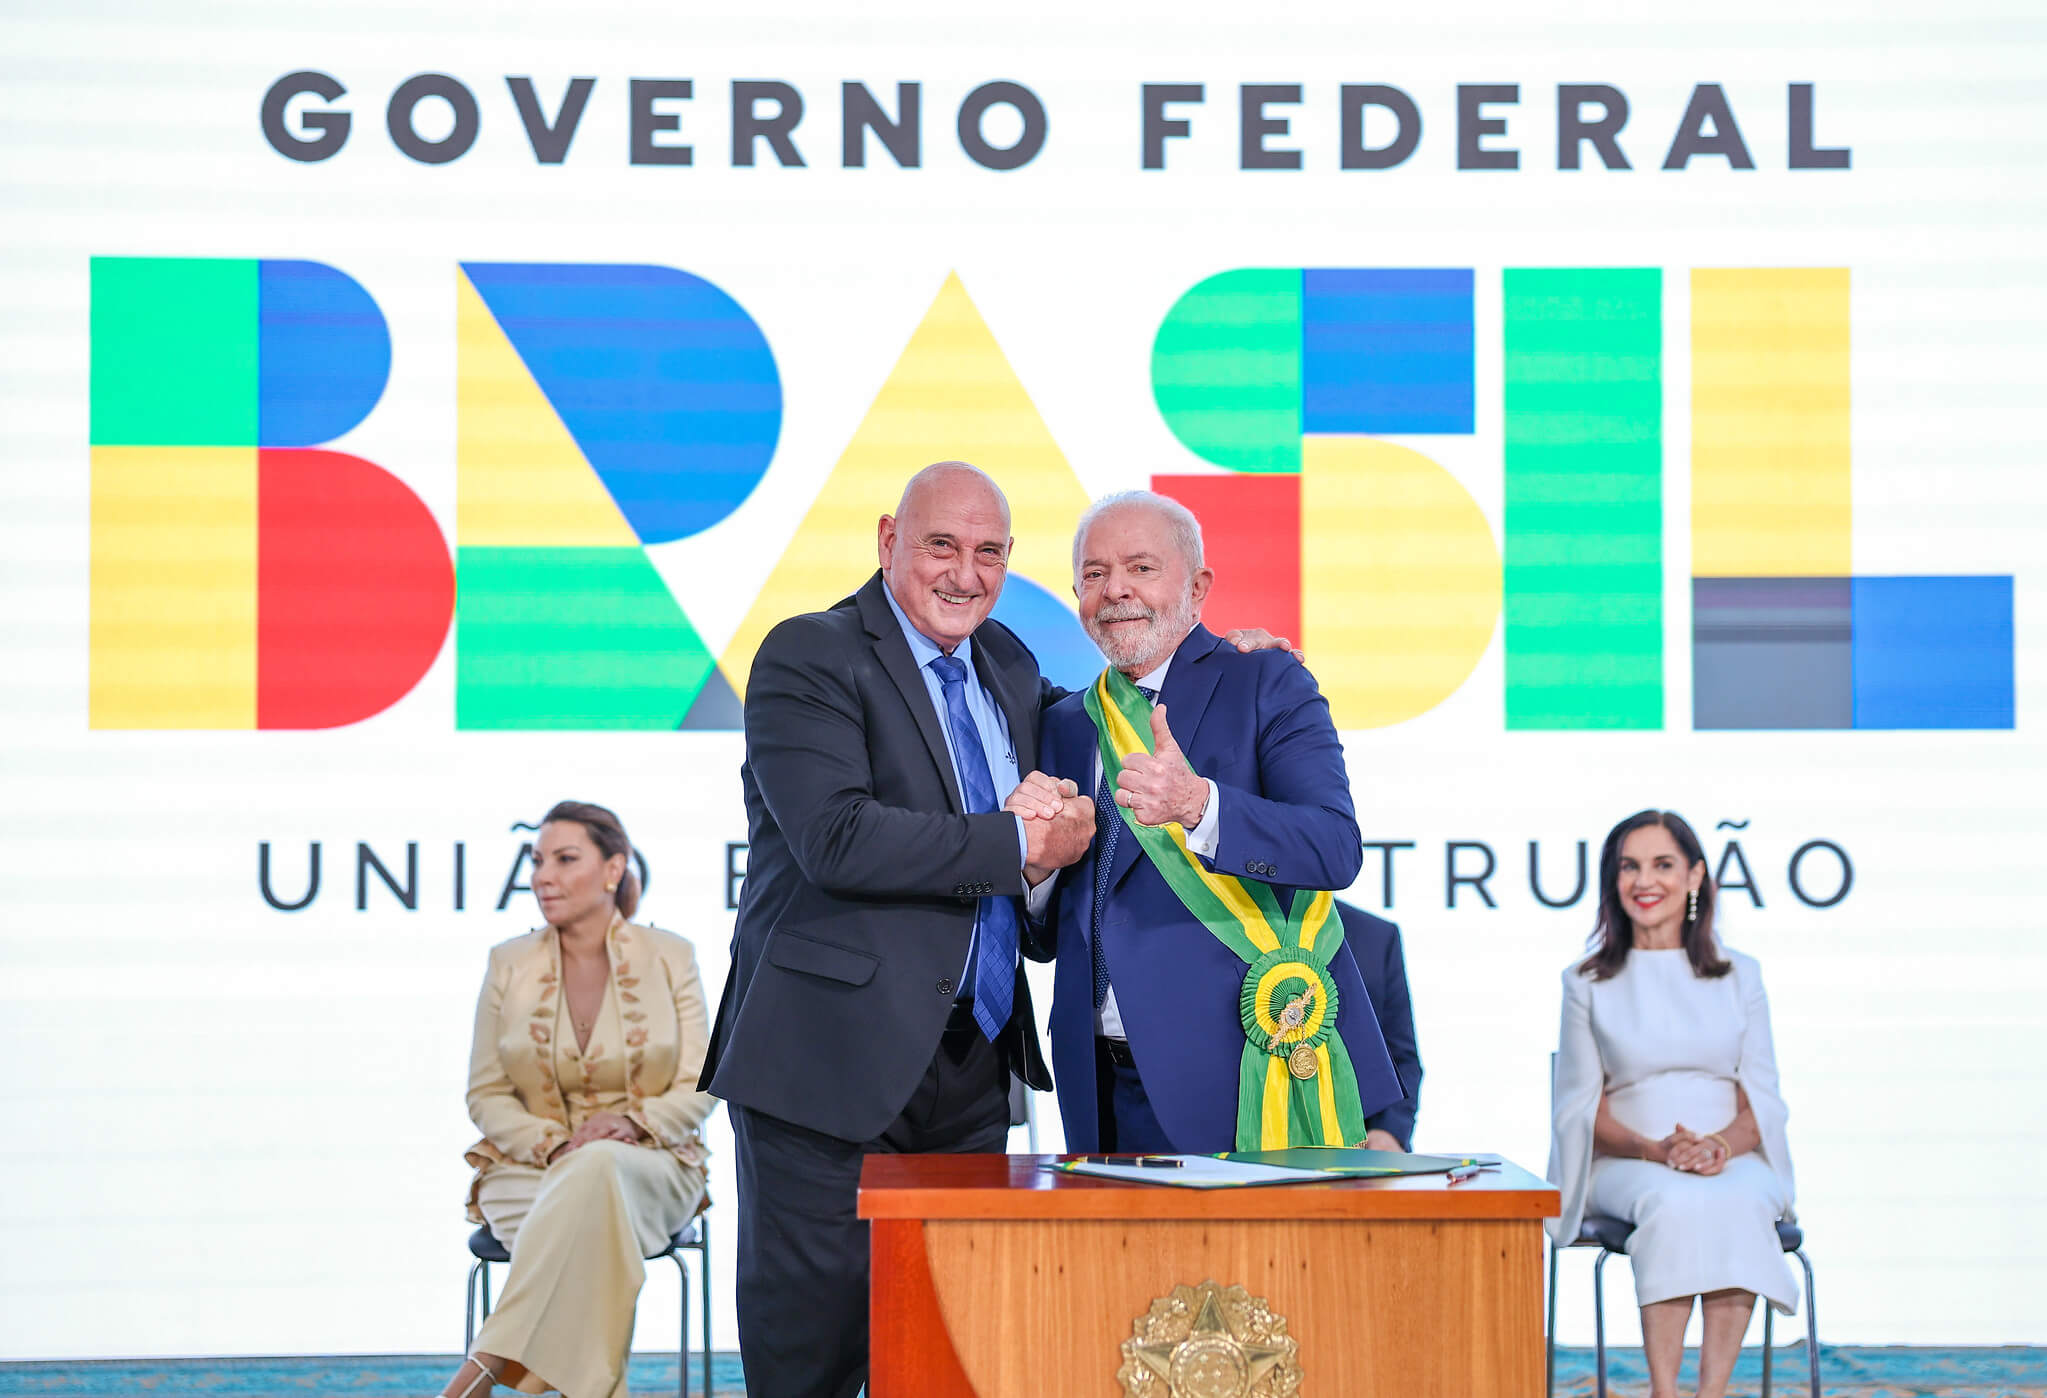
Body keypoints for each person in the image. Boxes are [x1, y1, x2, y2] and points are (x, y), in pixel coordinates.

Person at [702, 463, 1297, 1398]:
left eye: (989, 553)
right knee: (811, 1361)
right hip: (825, 1071)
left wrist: (1223, 665)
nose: (964, 573)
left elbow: (1116, 713)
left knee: (957, 1354)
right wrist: (1023, 841)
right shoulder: (808, 654)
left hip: (972, 1071)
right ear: (888, 538)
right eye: (941, 545)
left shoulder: (1011, 665)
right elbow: (837, 838)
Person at [1025, 490, 1403, 1154]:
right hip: (1097, 1083)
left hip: (1244, 1068)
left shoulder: (1263, 680)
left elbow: (1333, 848)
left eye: (1141, 568)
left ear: (1197, 588)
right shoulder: (1062, 723)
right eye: (1093, 573)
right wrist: (1035, 870)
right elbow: (1049, 933)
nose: (1114, 589)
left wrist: (1200, 807)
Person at [438, 801, 714, 1398]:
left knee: (600, 1168)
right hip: (528, 1170)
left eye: (565, 859)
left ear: (614, 868)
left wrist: (633, 1124)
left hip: (650, 1167)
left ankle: (484, 1363)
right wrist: (556, 1143)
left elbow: (701, 1079)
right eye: (537, 861)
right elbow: (486, 1092)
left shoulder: (670, 955)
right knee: (587, 1225)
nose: (543, 876)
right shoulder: (508, 963)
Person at [1547, 809, 1798, 1398]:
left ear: (1695, 877)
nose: (1645, 880)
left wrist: (1717, 1147)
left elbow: (1760, 1095)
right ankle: (1665, 1390)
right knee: (1675, 1202)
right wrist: (1654, 1150)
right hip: (1626, 1163)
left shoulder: (1740, 976)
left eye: (1663, 864)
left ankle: (1711, 1393)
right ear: (1613, 881)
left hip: (1731, 1159)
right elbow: (1581, 1110)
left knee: (1737, 1201)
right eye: (1629, 866)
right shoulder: (1586, 982)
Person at [1333, 899, 1423, 1152]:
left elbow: (1400, 1058)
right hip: (1245, 1153)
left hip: (1357, 1157)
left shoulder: (1376, 936)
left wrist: (1389, 1131)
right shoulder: (1222, 927)